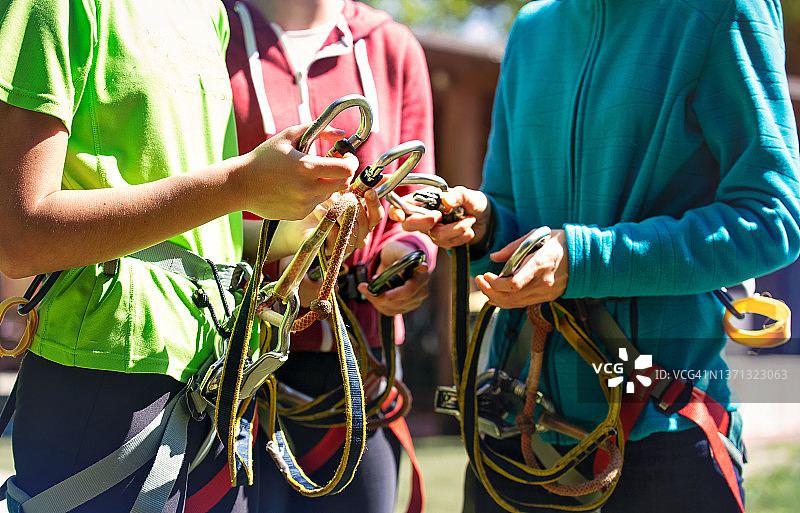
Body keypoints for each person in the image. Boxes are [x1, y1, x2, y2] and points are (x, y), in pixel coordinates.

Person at [394, 0, 800, 512]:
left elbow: (771, 218)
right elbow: (512, 217)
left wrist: (584, 259)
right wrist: (484, 227)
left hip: (659, 425)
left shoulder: (721, 10)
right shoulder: (533, 28)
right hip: (515, 432)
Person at [0, 0, 383, 511]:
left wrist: (293, 233)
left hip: (220, 383)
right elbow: (20, 236)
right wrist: (240, 184)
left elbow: (193, 231)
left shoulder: (208, 10)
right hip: (106, 375)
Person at [213, 1, 438, 512]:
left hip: (358, 369)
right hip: (229, 362)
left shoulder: (393, 45)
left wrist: (408, 258)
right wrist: (289, 244)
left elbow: (414, 207)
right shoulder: (210, 31)